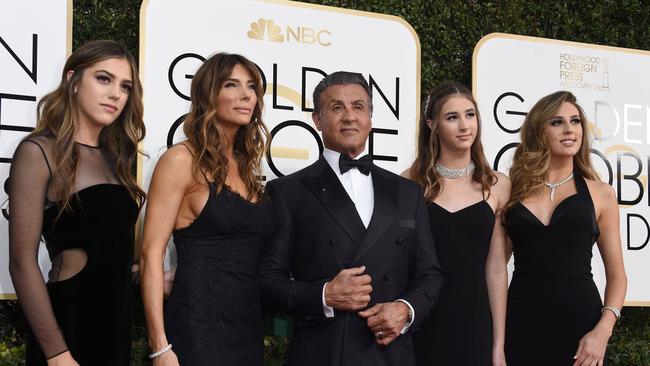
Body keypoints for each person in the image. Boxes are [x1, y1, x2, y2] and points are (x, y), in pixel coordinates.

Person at [260, 71, 443, 366]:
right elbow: (268, 282)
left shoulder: (407, 192)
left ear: (370, 118)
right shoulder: (288, 192)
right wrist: (324, 295)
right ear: (317, 119)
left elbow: (429, 274)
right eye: (336, 107)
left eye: (358, 107)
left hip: (391, 353)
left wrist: (405, 309)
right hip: (324, 353)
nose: (349, 117)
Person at [8, 40, 146, 365]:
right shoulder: (39, 152)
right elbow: (22, 263)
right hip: (67, 329)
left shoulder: (116, 160)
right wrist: (57, 353)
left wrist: (152, 274)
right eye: (103, 78)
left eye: (125, 86)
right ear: (73, 80)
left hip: (115, 329)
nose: (116, 94)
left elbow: (113, 253)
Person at [140, 52, 271, 366]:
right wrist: (160, 346)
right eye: (232, 85)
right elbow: (150, 254)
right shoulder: (181, 160)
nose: (246, 95)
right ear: (209, 94)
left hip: (248, 328)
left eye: (251, 86)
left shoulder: (247, 167)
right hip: (197, 329)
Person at [504, 91, 627, 366]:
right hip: (520, 326)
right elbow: (494, 268)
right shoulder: (513, 193)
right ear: (539, 130)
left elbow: (618, 276)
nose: (569, 129)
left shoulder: (601, 194)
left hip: (582, 331)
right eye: (557, 122)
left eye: (575, 121)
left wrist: (603, 332)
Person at [404, 81, 510, 366]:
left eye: (470, 114)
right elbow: (400, 260)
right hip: (422, 320)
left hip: (476, 322)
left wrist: (499, 345)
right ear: (432, 124)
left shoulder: (497, 185)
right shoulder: (409, 183)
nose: (465, 126)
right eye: (453, 117)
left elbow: (497, 269)